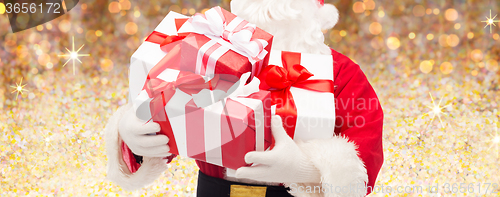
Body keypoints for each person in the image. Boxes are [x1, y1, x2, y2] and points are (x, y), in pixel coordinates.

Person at [104, 0, 384, 196]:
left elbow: (364, 154)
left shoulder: (341, 73)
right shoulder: (208, 54)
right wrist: (134, 131)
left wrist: (304, 170)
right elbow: (172, 109)